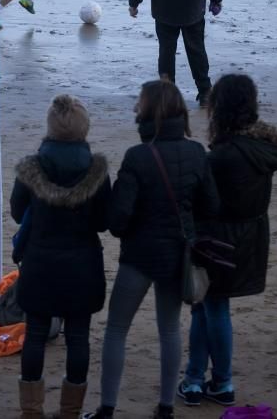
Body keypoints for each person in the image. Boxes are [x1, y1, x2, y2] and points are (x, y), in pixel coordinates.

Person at [83, 80, 219, 419]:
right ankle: (165, 408)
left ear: (149, 112)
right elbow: (211, 207)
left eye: (139, 103)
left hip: (139, 256)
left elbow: (117, 220)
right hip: (178, 255)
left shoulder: (138, 156)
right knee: (170, 329)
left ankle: (107, 408)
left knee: (117, 329)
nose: (134, 107)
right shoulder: (196, 152)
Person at [178, 74, 277, 408]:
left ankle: (217, 380)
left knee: (212, 306)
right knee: (206, 306)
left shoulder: (223, 156)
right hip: (251, 237)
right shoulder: (264, 147)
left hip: (219, 239)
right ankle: (198, 378)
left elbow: (204, 201)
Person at [10, 95, 111, 419]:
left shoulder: (32, 167)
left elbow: (16, 213)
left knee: (36, 334)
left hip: (41, 261)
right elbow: (102, 222)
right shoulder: (97, 171)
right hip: (83, 264)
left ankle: (31, 411)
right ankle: (70, 411)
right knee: (78, 336)